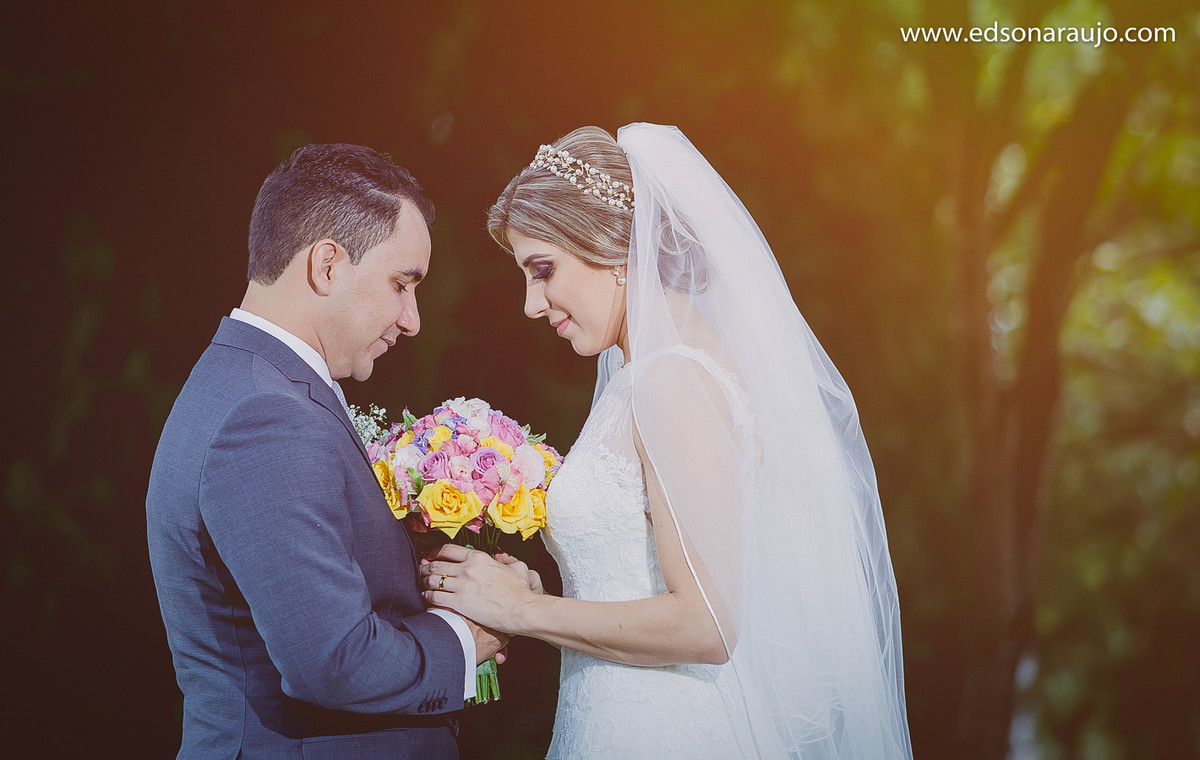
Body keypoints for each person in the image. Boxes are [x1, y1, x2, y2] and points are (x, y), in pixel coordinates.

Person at [420, 124, 914, 758]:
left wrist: (524, 612)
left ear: (612, 243)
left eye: (543, 269)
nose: (530, 304)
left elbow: (706, 623)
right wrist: (539, 596)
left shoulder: (671, 380)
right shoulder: (644, 376)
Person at [146, 143, 506, 759]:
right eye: (401, 283)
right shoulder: (267, 417)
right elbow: (333, 662)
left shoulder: (251, 384)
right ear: (327, 266)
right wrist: (468, 636)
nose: (412, 318)